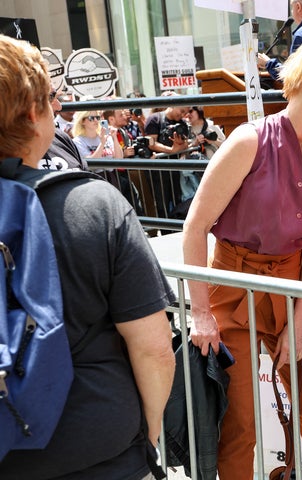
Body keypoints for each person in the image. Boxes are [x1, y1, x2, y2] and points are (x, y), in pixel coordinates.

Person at [182, 38, 302, 480]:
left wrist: (300, 322)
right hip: (232, 284)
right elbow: (194, 226)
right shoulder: (249, 141)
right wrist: (201, 312)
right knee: (239, 422)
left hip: (294, 285)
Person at [0, 34, 175, 480]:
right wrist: (147, 436)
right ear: (34, 114)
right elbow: (154, 348)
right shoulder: (94, 205)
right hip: (98, 449)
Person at [144, 99, 190, 218]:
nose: (183, 115)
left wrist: (180, 145)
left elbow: (186, 144)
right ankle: (165, 232)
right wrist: (171, 150)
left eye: (186, 113)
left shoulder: (183, 124)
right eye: (182, 111)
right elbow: (151, 143)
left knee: (178, 200)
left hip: (176, 169)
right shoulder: (155, 119)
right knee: (161, 203)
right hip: (158, 170)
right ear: (173, 105)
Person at [72, 109, 123, 188]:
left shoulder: (105, 136)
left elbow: (119, 158)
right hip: (94, 179)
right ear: (82, 121)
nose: (96, 120)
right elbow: (91, 165)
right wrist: (102, 143)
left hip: (112, 177)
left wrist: (114, 137)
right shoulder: (78, 141)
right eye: (91, 118)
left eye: (97, 117)